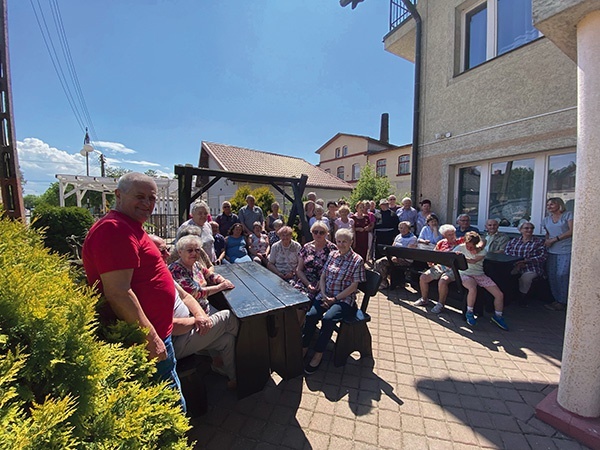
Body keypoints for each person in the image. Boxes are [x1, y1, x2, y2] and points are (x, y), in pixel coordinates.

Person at [81, 172, 185, 410]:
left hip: (160, 332)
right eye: (140, 197)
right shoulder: (114, 229)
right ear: (118, 195)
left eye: (152, 198)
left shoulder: (131, 227)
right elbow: (118, 292)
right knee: (169, 409)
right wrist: (152, 340)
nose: (147, 204)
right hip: (147, 341)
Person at [167, 235, 239, 389]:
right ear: (180, 252)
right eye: (190, 250)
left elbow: (209, 274)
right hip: (192, 317)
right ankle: (245, 352)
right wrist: (220, 288)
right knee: (230, 318)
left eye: (197, 250)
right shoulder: (175, 269)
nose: (194, 253)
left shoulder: (196, 265)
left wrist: (221, 280)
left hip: (205, 308)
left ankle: (231, 374)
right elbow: (194, 292)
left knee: (227, 340)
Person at [302, 228, 366, 374]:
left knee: (328, 319)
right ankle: (304, 347)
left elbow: (354, 286)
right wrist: (323, 293)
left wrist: (335, 299)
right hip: (325, 295)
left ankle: (318, 354)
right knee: (310, 316)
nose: (341, 244)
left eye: (345, 241)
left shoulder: (357, 260)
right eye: (338, 241)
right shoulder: (332, 254)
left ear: (351, 242)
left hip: (343, 300)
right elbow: (323, 276)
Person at [452, 232, 508, 330]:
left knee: (499, 294)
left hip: (479, 274)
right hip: (465, 273)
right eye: (467, 246)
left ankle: (498, 316)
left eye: (471, 247)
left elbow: (474, 260)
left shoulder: (482, 251)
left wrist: (461, 257)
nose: (469, 248)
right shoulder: (460, 247)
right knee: (472, 288)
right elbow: (450, 256)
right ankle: (469, 312)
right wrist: (455, 255)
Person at [416, 224, 465, 308]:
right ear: (444, 235)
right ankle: (424, 299)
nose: (452, 236)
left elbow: (476, 239)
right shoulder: (441, 242)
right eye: (449, 235)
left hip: (454, 269)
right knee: (423, 277)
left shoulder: (461, 242)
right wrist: (431, 262)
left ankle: (440, 304)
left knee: (443, 281)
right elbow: (434, 255)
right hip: (441, 266)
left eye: (453, 233)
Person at [504, 221, 547, 307]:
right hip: (515, 265)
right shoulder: (514, 241)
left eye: (531, 228)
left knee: (525, 279)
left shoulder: (539, 242)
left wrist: (527, 261)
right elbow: (506, 252)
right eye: (526, 228)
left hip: (531, 266)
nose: (529, 230)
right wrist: (516, 263)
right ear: (520, 230)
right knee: (504, 275)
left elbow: (543, 256)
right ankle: (507, 297)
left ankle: (522, 298)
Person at [293, 221, 337, 300]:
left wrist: (322, 282)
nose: (318, 235)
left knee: (310, 299)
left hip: (324, 283)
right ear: (311, 232)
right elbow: (299, 270)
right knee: (296, 298)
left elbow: (335, 270)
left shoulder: (332, 249)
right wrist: (308, 284)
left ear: (327, 233)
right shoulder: (306, 247)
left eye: (321, 232)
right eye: (315, 232)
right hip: (306, 281)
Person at [543, 197, 573, 311]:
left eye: (552, 204)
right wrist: (547, 241)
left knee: (562, 274)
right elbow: (547, 233)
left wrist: (555, 239)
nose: (549, 206)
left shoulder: (568, 215)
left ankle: (564, 301)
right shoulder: (546, 219)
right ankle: (557, 300)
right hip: (552, 250)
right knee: (552, 275)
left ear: (559, 204)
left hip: (565, 250)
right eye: (548, 205)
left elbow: (571, 231)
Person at [374, 221, 417, 290]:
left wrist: (397, 257)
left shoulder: (413, 238)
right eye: (400, 228)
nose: (402, 230)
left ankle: (383, 283)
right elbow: (393, 247)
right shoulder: (398, 236)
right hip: (395, 257)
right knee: (378, 262)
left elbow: (407, 252)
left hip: (406, 259)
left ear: (409, 229)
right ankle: (382, 282)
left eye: (404, 228)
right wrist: (393, 256)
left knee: (381, 263)